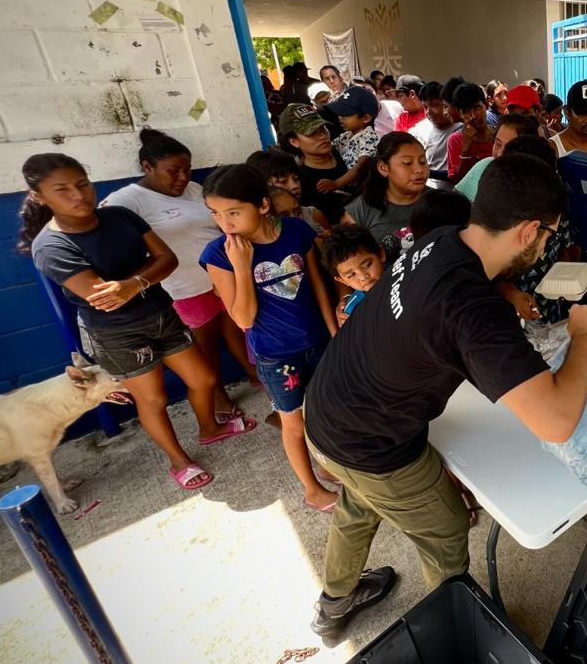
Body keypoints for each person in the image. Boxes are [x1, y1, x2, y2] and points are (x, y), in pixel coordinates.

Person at [303, 154, 587, 636]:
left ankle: (334, 604)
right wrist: (585, 336)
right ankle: (454, 638)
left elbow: (444, 310)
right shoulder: (474, 312)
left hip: (325, 414)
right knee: (443, 530)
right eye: (549, 234)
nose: (548, 242)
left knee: (360, 504)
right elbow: (556, 421)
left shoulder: (442, 239)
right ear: (528, 231)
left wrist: (503, 297)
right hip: (374, 444)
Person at [21, 154, 237, 492]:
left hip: (162, 313)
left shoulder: (120, 216)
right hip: (116, 333)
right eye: (62, 190)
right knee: (153, 400)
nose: (78, 195)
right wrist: (143, 276)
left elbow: (168, 259)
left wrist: (133, 284)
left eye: (82, 184)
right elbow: (104, 296)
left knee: (204, 377)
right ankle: (179, 462)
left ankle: (209, 429)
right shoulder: (50, 246)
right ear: (40, 197)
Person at [201, 165, 340, 512]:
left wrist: (333, 331)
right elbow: (244, 318)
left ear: (263, 205)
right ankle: (312, 490)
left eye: (233, 212)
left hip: (317, 339)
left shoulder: (295, 231)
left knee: (325, 408)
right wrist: (242, 266)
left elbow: (318, 285)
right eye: (216, 214)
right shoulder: (219, 254)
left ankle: (326, 464)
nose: (225, 223)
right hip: (277, 355)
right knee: (293, 424)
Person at [103, 129, 260, 423]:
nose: (183, 177)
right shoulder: (127, 200)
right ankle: (219, 400)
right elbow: (106, 238)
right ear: (147, 167)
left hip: (223, 280)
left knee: (242, 333)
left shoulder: (194, 190)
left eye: (187, 169)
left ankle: (257, 377)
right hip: (185, 289)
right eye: (173, 171)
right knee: (205, 350)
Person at [495, 136, 577, 324]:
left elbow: (564, 246)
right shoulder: (498, 219)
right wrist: (511, 294)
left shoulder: (556, 208)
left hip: (549, 307)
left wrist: (566, 280)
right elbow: (486, 271)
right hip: (509, 313)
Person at [342, 132, 429, 259]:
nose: (419, 169)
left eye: (422, 162)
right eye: (407, 163)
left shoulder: (441, 202)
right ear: (383, 168)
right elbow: (348, 262)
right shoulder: (360, 211)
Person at [281, 106, 354, 225]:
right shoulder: (302, 181)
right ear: (294, 141)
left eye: (323, 128)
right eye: (312, 133)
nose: (322, 136)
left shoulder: (345, 150)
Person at [454, 112, 537, 201]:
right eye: (498, 144)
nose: (500, 154)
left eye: (510, 148)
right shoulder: (484, 165)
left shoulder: (532, 185)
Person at [320, 225, 385, 327]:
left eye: (367, 265)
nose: (363, 276)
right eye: (351, 275)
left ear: (381, 254)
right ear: (342, 281)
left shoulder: (404, 273)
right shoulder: (351, 312)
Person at [409, 81, 460, 182]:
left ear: (445, 104)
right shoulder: (418, 132)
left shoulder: (461, 129)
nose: (429, 112)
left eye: (434, 105)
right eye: (425, 107)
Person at [446, 83, 496, 182]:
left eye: (477, 108)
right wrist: (465, 149)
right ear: (460, 114)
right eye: (466, 111)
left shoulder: (498, 134)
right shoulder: (455, 140)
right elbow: (457, 181)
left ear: (486, 105)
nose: (473, 116)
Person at [327, 85, 381, 171]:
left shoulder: (369, 137)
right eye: (340, 113)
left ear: (366, 118)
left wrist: (336, 184)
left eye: (346, 114)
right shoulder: (346, 135)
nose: (340, 117)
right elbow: (328, 148)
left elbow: (360, 167)